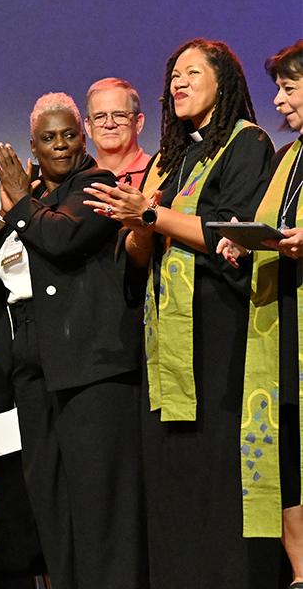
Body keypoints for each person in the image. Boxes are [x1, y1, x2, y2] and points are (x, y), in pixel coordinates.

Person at [84, 38, 275, 587]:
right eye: (173, 76)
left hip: (219, 330)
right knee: (171, 478)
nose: (178, 83)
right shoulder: (174, 157)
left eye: (192, 73)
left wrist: (151, 212)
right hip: (164, 340)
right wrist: (137, 226)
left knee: (215, 471)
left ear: (225, 83)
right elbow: (143, 249)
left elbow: (231, 235)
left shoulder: (247, 143)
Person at [0, 93, 145, 589]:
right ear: (33, 145)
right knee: (51, 499)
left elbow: (62, 241)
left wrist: (21, 204)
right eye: (48, 138)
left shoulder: (99, 185)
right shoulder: (29, 198)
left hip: (90, 363)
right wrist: (18, 204)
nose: (60, 146)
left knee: (99, 501)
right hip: (35, 365)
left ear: (84, 138)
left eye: (69, 135)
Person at [217, 38, 303, 586]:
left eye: (289, 88)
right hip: (284, 320)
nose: (277, 101)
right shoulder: (290, 156)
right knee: (288, 451)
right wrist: (247, 243)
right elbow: (273, 221)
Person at [84, 78, 152, 187]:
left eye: (120, 115)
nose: (109, 124)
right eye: (99, 117)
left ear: (138, 123)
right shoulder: (79, 181)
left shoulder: (159, 175)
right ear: (88, 127)